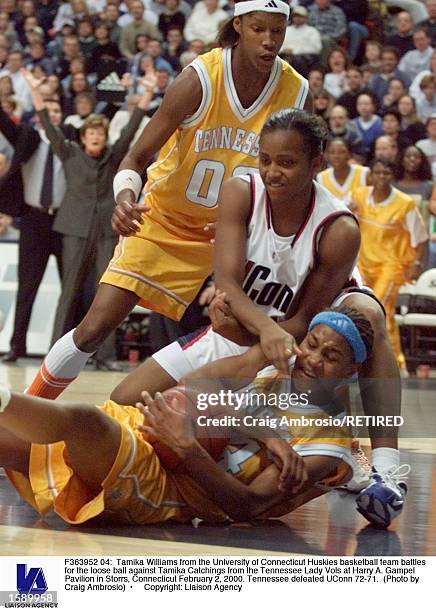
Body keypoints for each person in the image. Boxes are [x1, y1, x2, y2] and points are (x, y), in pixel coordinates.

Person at [111, 109, 409, 525]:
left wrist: (259, 332)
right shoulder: (240, 192)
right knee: (124, 400)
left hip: (299, 327)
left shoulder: (338, 227)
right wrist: (252, 325)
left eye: (286, 163)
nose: (272, 172)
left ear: (316, 163)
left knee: (369, 313)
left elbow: (305, 318)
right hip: (254, 322)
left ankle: (386, 469)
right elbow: (228, 285)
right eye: (265, 160)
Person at [27, 0, 311, 398]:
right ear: (239, 25)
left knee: (260, 335)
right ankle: (21, 422)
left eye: (277, 31)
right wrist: (125, 196)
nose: (268, 41)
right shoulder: (199, 80)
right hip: (164, 221)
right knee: (94, 326)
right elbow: (135, 158)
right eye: (258, 29)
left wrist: (254, 220)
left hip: (235, 235)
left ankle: (246, 436)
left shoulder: (296, 90)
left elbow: (297, 178)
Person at [0, 307, 378, 526]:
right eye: (312, 344)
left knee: (83, 420)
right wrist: (266, 433)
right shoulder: (271, 365)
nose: (312, 359)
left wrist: (186, 447)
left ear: (350, 371)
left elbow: (247, 507)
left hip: (170, 484)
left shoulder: (329, 442)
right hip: (150, 427)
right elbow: (196, 384)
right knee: (7, 443)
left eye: (330, 357)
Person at [350, 158, 428, 374]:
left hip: (391, 265)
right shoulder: (359, 195)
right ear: (371, 175)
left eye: (386, 173)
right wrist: (349, 209)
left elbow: (420, 238)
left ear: (392, 176)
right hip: (362, 263)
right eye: (377, 172)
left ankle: (395, 364)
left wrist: (417, 263)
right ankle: (362, 364)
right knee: (356, 311)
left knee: (380, 311)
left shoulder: (405, 203)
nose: (381, 177)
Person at [316, 138, 369, 202]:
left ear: (350, 154)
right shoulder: (321, 177)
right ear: (326, 156)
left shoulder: (364, 173)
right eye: (332, 152)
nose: (336, 156)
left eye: (342, 152)